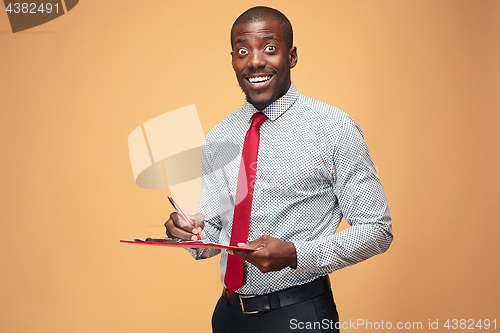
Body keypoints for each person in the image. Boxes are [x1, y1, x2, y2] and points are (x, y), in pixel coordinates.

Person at [165, 6, 393, 333]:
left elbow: (377, 229)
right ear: (232, 60)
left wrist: (296, 254)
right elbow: (214, 232)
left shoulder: (334, 128)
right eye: (243, 51)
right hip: (228, 316)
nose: (255, 61)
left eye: (269, 48)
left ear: (292, 56)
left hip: (298, 315)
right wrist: (190, 232)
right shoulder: (219, 136)